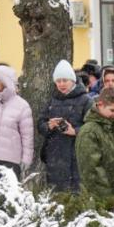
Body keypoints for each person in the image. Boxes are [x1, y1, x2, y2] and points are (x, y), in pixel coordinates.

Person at [75, 86, 114, 204]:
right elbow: (91, 171)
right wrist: (108, 199)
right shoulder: (89, 131)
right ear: (100, 105)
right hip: (101, 199)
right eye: (112, 110)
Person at [39, 59, 92, 192]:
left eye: (64, 80)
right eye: (58, 81)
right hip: (55, 155)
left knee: (76, 193)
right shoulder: (52, 100)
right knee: (56, 195)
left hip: (77, 153)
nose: (61, 84)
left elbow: (93, 127)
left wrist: (75, 131)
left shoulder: (86, 100)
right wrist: (49, 126)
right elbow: (40, 124)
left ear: (73, 80)